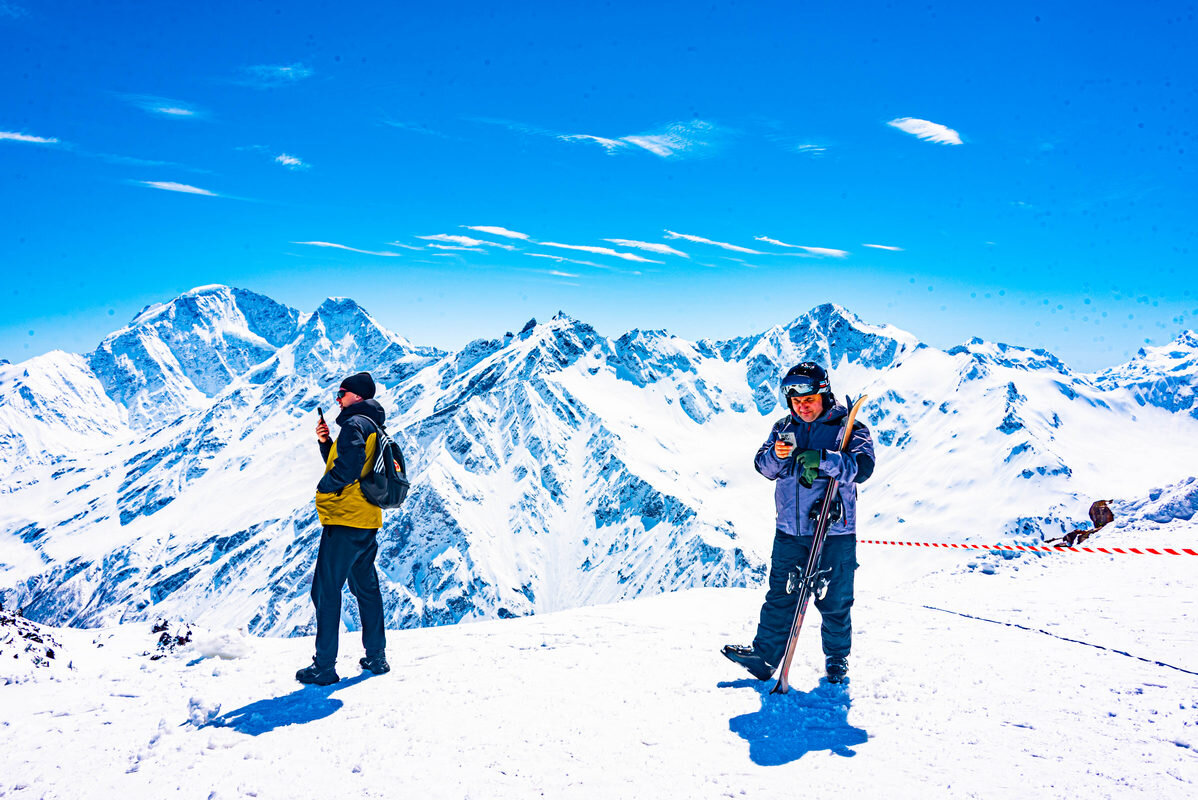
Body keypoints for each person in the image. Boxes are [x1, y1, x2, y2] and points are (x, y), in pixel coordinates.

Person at [723, 362, 875, 685]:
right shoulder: (783, 428)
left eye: (808, 401)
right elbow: (762, 467)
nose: (802, 408)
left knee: (835, 599)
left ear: (824, 394)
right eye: (795, 402)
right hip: (790, 532)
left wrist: (823, 459)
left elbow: (863, 467)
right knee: (780, 594)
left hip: (833, 532)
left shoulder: (848, 429)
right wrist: (778, 455)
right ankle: (764, 657)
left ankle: (837, 660)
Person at [296, 371, 391, 685]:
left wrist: (324, 488)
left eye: (342, 393)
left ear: (358, 397)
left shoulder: (353, 424)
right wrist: (326, 444)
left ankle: (324, 666)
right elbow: (353, 460)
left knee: (325, 591)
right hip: (366, 521)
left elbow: (347, 468)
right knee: (366, 589)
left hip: (344, 520)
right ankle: (376, 657)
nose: (337, 399)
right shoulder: (372, 424)